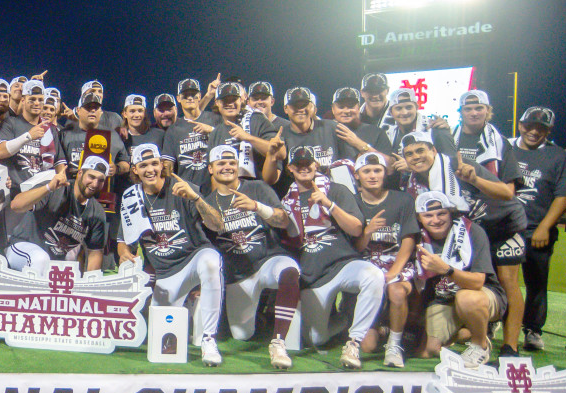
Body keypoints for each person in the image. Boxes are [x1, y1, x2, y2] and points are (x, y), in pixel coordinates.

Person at [399, 128, 527, 358]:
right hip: (470, 229)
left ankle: (510, 347)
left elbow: (507, 193)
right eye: (410, 154)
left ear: (434, 150)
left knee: (506, 283)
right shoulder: (414, 180)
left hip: (503, 225)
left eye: (421, 150)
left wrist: (475, 179)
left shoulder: (457, 166)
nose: (416, 156)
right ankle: (472, 326)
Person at [118, 144, 226, 366]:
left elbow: (218, 225)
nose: (150, 169)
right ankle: (190, 308)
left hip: (192, 259)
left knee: (211, 262)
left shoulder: (181, 187)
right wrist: (123, 253)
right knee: (160, 339)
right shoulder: (131, 196)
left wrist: (196, 198)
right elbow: (123, 239)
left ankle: (208, 339)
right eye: (144, 165)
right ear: (135, 170)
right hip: (166, 273)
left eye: (155, 163)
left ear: (162, 165)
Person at [280, 146, 384, 368]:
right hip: (312, 274)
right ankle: (346, 318)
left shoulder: (336, 190)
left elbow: (357, 229)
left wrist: (329, 204)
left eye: (308, 163)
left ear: (316, 165)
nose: (304, 167)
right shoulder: (286, 201)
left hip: (342, 263)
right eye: (298, 164)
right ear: (290, 168)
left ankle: (354, 342)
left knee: (373, 275)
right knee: (316, 339)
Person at [202, 145, 298, 369]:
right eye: (221, 163)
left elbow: (283, 221)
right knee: (242, 334)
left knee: (289, 271)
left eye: (232, 163)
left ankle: (278, 342)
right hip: (239, 274)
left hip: (268, 260)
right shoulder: (207, 202)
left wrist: (257, 207)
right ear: (210, 168)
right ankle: (263, 320)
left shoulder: (256, 187)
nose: (227, 167)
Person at [415, 190, 507, 368]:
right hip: (444, 297)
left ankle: (480, 344)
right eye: (428, 215)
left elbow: (478, 282)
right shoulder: (417, 238)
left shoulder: (472, 231)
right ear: (420, 218)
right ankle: (466, 332)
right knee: (429, 350)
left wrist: (446, 269)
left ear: (450, 212)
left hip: (482, 294)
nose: (436, 220)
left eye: (441, 213)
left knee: (467, 297)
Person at [512, 107, 566, 351]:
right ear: (521, 125)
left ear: (549, 131)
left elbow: (565, 193)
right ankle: (493, 322)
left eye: (541, 128)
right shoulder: (505, 148)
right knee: (500, 282)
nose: (534, 131)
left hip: (537, 230)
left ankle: (532, 329)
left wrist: (544, 227)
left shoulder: (559, 156)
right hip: (505, 229)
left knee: (536, 284)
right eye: (530, 125)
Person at [351, 152, 418, 367]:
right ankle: (389, 327)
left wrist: (394, 271)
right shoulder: (352, 202)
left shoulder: (402, 199)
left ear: (385, 173)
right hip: (366, 264)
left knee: (396, 291)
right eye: (367, 171)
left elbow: (409, 238)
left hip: (395, 262)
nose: (373, 175)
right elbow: (355, 247)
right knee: (369, 346)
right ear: (357, 175)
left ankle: (395, 344)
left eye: (377, 170)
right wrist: (367, 232)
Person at [7, 156, 110, 276]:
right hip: (22, 247)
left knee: (70, 269)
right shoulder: (57, 188)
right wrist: (48, 188)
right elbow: (15, 205)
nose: (95, 183)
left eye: (101, 180)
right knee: (40, 259)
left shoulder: (97, 212)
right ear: (80, 173)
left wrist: (91, 285)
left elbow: (95, 253)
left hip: (53, 261)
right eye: (91, 177)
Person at [207, 82, 277, 180]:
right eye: (225, 100)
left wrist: (247, 137)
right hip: (229, 190)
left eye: (233, 99)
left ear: (241, 100)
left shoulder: (256, 119)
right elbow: (213, 174)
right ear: (217, 102)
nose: (230, 104)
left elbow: (278, 152)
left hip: (256, 188)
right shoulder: (215, 133)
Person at [161, 78, 219, 188]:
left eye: (193, 94)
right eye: (185, 95)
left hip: (213, 188)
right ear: (178, 98)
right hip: (186, 191)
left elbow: (229, 140)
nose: (190, 97)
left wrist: (212, 130)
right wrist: (169, 190)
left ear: (200, 96)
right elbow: (168, 165)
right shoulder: (173, 130)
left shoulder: (214, 119)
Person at [328, 87, 393, 160]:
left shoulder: (376, 132)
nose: (346, 111)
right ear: (333, 109)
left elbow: (390, 164)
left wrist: (357, 143)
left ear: (358, 108)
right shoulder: (324, 132)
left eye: (351, 106)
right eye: (341, 107)